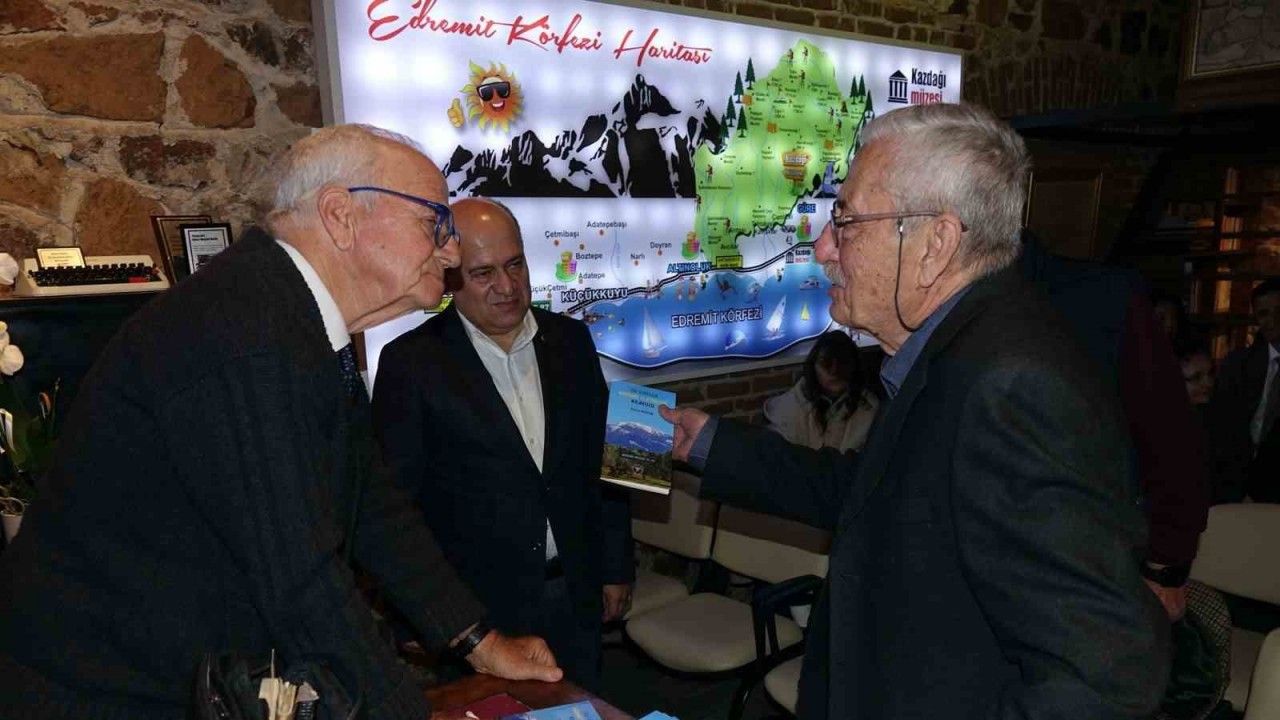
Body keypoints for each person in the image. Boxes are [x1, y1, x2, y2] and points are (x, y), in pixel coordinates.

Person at [0, 125, 561, 720]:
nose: (450, 253)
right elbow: (300, 579)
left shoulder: (291, 315)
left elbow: (373, 504)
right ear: (340, 216)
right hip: (95, 692)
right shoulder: (247, 332)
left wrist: (478, 641)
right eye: (434, 222)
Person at [660, 104, 1168, 719]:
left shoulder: (1010, 385)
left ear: (935, 245)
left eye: (846, 221)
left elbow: (1107, 674)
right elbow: (875, 493)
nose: (822, 248)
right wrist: (710, 443)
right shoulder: (956, 349)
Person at [372, 198, 633, 691]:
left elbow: (606, 462)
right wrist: (418, 615)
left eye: (515, 265)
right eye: (484, 273)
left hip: (575, 593)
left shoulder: (572, 341)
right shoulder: (411, 364)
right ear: (451, 277)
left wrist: (617, 567)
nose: (508, 286)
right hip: (478, 615)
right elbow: (394, 507)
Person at [1019, 234, 1209, 621]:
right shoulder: (934, 305)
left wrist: (1166, 570)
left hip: (1088, 580)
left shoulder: (1102, 300)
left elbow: (1171, 441)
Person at [1209, 277, 1280, 503]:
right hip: (1234, 481)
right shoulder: (1237, 365)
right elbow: (1222, 426)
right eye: (1264, 313)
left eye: (1279, 311)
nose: (1273, 320)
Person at [763, 330, 878, 452]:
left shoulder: (870, 409)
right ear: (813, 367)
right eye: (826, 363)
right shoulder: (787, 408)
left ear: (854, 365)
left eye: (843, 362)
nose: (834, 370)